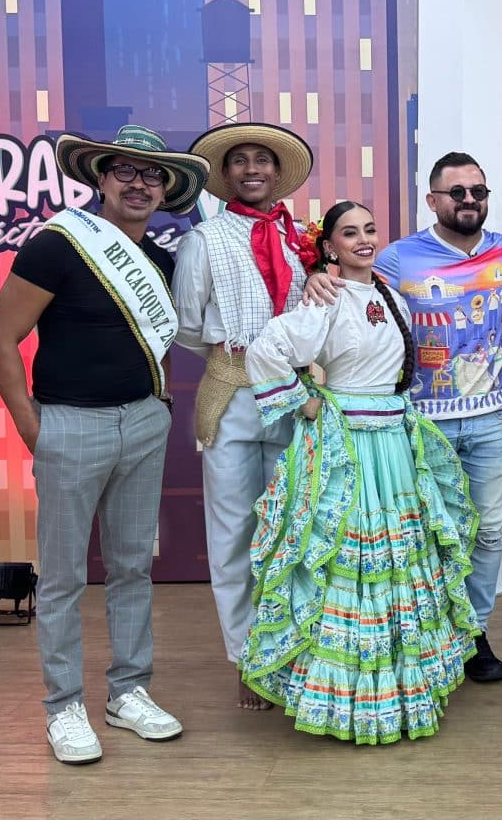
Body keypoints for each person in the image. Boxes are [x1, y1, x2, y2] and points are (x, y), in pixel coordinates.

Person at [0, 125, 210, 764]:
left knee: (132, 566)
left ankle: (128, 692)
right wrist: (34, 429)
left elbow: (162, 344)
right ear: (101, 178)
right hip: (68, 425)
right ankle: (63, 707)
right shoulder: (57, 246)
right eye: (124, 171)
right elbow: (0, 340)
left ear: (166, 189)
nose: (139, 184)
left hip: (142, 423)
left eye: (152, 175)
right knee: (62, 577)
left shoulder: (162, 263)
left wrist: (158, 408)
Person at [240, 200, 479, 744]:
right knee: (353, 561)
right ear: (329, 247)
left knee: (397, 561)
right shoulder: (325, 298)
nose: (364, 240)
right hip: (348, 448)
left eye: (370, 229)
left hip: (394, 445)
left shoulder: (393, 298)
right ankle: (343, 703)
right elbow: (266, 350)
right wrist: (305, 401)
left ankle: (399, 693)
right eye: (350, 233)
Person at [170, 122, 337, 710]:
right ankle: (247, 658)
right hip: (233, 396)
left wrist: (288, 364)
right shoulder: (204, 240)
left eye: (261, 159)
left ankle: (293, 650)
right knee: (235, 532)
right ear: (225, 174)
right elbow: (186, 324)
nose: (251, 169)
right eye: (239, 160)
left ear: (277, 171)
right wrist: (239, 358)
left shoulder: (304, 240)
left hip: (297, 397)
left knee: (292, 529)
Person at [374, 151, 502, 682]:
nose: (468, 200)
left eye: (477, 191)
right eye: (456, 192)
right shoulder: (398, 258)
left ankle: (472, 633)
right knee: (430, 536)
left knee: (487, 534)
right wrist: (323, 277)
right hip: (422, 424)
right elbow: (357, 302)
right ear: (432, 199)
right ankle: (431, 634)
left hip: (492, 421)